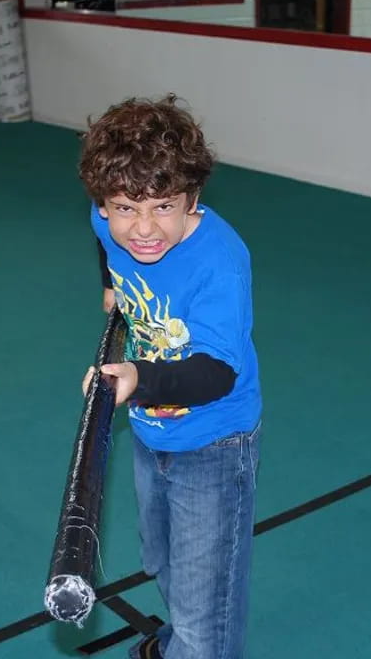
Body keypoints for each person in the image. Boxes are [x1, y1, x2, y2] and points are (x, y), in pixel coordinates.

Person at [79, 95, 262, 659]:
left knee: (207, 614)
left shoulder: (219, 264)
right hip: (153, 431)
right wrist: (111, 281)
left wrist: (138, 378)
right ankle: (176, 640)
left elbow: (216, 372)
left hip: (214, 439)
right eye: (125, 208)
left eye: (163, 206)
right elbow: (106, 240)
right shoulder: (109, 224)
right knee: (160, 560)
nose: (144, 229)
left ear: (192, 200)